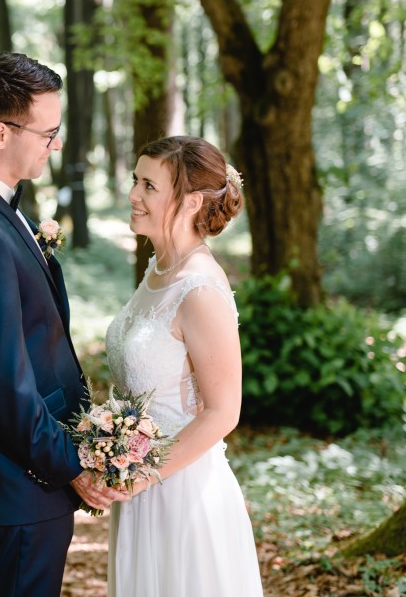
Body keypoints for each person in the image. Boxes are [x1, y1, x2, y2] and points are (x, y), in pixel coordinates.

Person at [0, 52, 125, 597]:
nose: (55, 145)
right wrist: (70, 466)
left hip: (23, 480)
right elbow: (1, 383)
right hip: (15, 483)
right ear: (1, 133)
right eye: (47, 132)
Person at [105, 135, 263, 596]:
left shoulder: (200, 290)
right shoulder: (158, 269)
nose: (133, 194)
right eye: (136, 181)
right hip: (138, 492)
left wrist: (141, 473)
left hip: (184, 496)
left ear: (191, 201)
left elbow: (223, 411)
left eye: (149, 186)